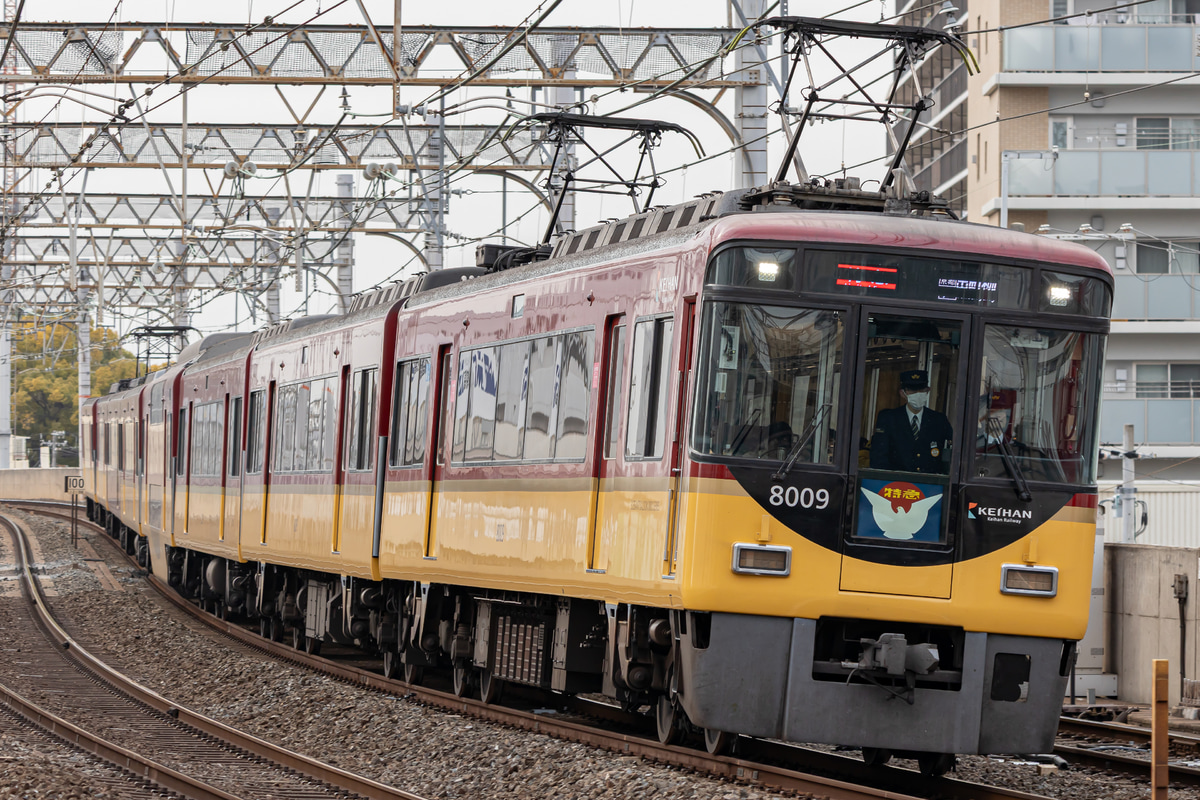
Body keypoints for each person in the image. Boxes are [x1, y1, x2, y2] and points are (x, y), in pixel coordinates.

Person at [869, 370, 953, 474]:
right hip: (897, 483)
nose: (917, 394)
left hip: (930, 485)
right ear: (902, 393)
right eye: (912, 391)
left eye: (921, 390)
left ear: (928, 390)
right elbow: (878, 457)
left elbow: (955, 444)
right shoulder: (889, 418)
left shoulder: (938, 420)